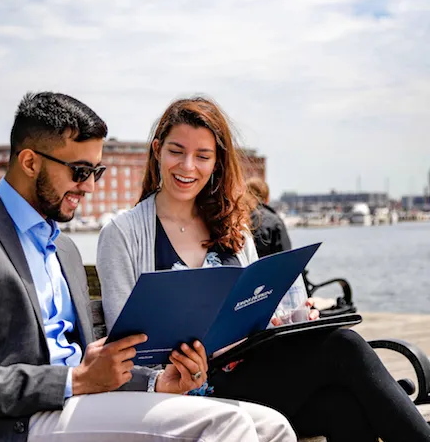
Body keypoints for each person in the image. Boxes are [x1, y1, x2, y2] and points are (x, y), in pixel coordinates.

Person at [0, 92, 296, 442]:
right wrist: (73, 379)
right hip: (16, 423)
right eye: (79, 171)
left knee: (273, 426)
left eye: (97, 172)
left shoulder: (65, 249)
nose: (90, 187)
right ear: (29, 162)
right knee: (226, 426)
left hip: (83, 405)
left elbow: (96, 362)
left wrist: (160, 381)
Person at [96, 96, 430, 442]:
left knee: (341, 405)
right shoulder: (122, 233)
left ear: (217, 163)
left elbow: (255, 310)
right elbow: (122, 346)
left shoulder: (233, 228)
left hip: (246, 372)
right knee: (343, 347)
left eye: (203, 156)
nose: (188, 166)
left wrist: (287, 318)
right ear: (157, 151)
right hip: (181, 390)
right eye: (176, 151)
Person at [246, 177, 292, 258]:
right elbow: (287, 256)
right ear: (267, 198)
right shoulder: (275, 222)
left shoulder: (239, 221)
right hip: (271, 269)